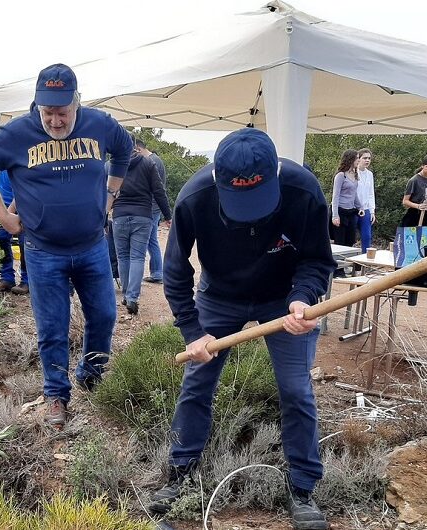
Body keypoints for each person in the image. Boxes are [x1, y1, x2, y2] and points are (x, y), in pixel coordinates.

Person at [148, 128, 334, 530]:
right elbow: (176, 272)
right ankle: (180, 473)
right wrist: (192, 331)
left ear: (274, 175)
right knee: (197, 382)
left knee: (296, 389)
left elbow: (318, 260)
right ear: (218, 178)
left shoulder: (303, 190)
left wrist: (305, 297)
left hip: (285, 300)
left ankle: (302, 488)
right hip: (220, 296)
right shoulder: (194, 197)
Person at [0, 63, 133, 427]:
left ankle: (91, 373)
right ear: (37, 105)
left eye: (62, 112)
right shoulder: (15, 134)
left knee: (105, 316)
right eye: (48, 112)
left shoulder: (101, 125)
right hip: (43, 252)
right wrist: (3, 216)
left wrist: (111, 194)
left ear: (77, 103)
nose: (55, 121)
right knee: (52, 327)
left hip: (92, 245)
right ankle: (56, 395)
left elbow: (123, 151)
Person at [112, 136, 172, 315]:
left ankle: (125, 294)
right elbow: (159, 191)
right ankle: (132, 297)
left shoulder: (111, 166)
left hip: (119, 216)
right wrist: (168, 215)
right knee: (137, 257)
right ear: (135, 146)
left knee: (122, 256)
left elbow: (104, 192)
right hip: (143, 216)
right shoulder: (148, 164)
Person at [134, 138, 168, 284]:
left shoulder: (152, 161)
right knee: (152, 240)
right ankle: (157, 272)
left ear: (138, 149)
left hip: (151, 207)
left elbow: (157, 188)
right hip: (154, 207)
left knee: (149, 241)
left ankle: (157, 273)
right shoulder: (155, 160)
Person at [0, 170, 29, 295]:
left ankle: (27, 281)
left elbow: (25, 187)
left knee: (25, 245)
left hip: (24, 206)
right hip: (3, 206)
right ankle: (6, 278)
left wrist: (10, 210)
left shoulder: (21, 159)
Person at [330, 149, 363, 247]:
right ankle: (338, 262)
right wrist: (335, 216)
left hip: (351, 211)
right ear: (350, 159)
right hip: (341, 211)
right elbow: (335, 196)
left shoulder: (355, 175)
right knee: (340, 241)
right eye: (357, 158)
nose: (358, 160)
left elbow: (354, 193)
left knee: (350, 240)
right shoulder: (341, 175)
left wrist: (360, 207)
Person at [401, 153, 427, 227]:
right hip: (414, 214)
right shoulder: (413, 180)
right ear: (422, 166)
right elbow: (405, 201)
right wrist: (418, 206)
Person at [356, 148, 376, 252]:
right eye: (365, 158)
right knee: (351, 237)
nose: (367, 160)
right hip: (354, 208)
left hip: (366, 208)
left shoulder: (370, 174)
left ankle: (364, 262)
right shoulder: (353, 172)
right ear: (358, 159)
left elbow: (371, 193)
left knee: (366, 236)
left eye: (369, 158)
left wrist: (372, 211)